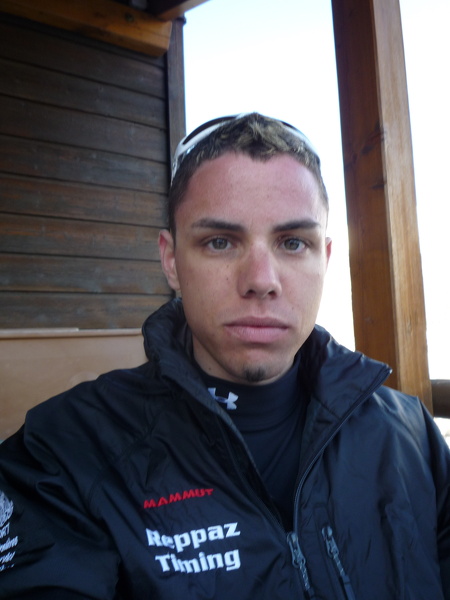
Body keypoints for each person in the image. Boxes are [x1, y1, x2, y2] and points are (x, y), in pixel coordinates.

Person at [0, 112, 449, 600]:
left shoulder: (412, 437)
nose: (261, 279)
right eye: (219, 242)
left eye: (292, 242)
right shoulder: (63, 455)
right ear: (171, 260)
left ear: (324, 259)